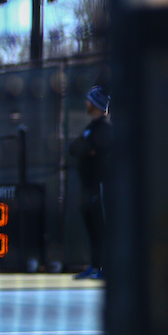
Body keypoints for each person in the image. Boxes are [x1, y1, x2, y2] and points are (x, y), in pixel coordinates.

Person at [68, 85, 111, 280]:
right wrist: (84, 149)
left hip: (99, 186)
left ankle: (106, 268)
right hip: (87, 186)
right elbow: (74, 148)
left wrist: (85, 149)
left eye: (89, 100)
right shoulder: (90, 128)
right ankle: (94, 267)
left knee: (102, 228)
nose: (86, 103)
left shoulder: (105, 127)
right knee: (92, 227)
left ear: (95, 104)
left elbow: (92, 149)